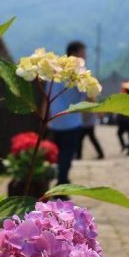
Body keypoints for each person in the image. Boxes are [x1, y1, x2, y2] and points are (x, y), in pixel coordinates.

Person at [48, 40, 88, 184]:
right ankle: (62, 181)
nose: (85, 56)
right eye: (84, 53)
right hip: (72, 123)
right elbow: (89, 96)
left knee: (59, 156)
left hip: (55, 122)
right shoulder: (78, 73)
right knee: (67, 155)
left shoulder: (54, 70)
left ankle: (61, 178)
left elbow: (46, 98)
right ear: (76, 53)